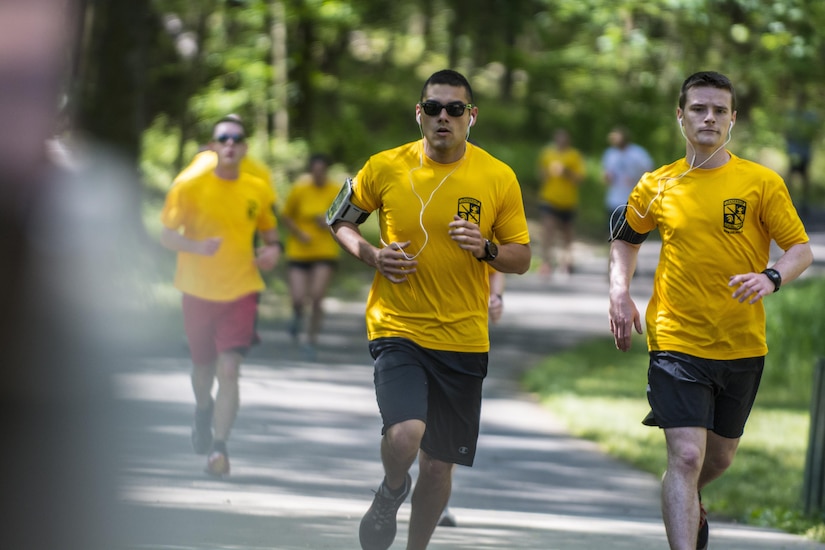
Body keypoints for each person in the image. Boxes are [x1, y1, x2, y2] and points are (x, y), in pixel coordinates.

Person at [607, 71, 813, 550]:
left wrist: (771, 277)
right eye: (698, 108)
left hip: (741, 343)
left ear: (733, 120)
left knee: (716, 460)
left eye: (719, 110)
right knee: (684, 456)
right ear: (681, 116)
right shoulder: (656, 183)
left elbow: (800, 249)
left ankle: (686, 500)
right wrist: (619, 292)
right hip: (675, 340)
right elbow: (625, 237)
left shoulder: (760, 182)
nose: (709, 117)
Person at [328, 69, 531, 550]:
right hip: (397, 325)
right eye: (434, 108)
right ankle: (392, 488)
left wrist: (485, 248)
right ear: (419, 114)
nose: (444, 117)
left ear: (471, 116)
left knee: (439, 465)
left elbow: (521, 257)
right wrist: (372, 255)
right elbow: (338, 221)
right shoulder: (385, 166)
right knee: (405, 436)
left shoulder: (498, 176)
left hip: (462, 338)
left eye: (455, 109)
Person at [160, 116, 282, 477]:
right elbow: (167, 235)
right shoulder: (189, 186)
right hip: (196, 289)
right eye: (222, 139)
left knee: (229, 369)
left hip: (241, 289)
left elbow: (271, 236)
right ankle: (202, 409)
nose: (230, 144)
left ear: (244, 148)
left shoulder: (256, 188)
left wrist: (272, 251)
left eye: (236, 139)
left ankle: (219, 447)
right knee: (202, 368)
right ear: (213, 147)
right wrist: (196, 246)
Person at [280, 153, 341, 357]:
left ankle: (310, 340)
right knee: (298, 298)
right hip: (299, 249)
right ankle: (297, 316)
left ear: (326, 171)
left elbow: (345, 216)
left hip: (324, 250)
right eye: (314, 172)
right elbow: (286, 216)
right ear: (310, 171)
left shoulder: (335, 189)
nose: (318, 176)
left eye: (321, 172)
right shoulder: (300, 188)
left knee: (316, 297)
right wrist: (299, 233)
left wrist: (329, 222)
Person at [536, 128, 585, 277]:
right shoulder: (547, 154)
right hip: (549, 199)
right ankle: (546, 263)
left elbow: (580, 178)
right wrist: (548, 172)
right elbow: (540, 174)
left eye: (564, 139)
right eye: (558, 138)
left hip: (568, 201)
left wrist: (566, 172)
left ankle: (567, 262)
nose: (561, 141)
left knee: (567, 234)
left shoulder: (574, 155)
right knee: (548, 231)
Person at [602, 125, 653, 226]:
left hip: (633, 202)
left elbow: (650, 172)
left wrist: (637, 181)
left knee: (629, 236)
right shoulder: (610, 154)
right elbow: (606, 176)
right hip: (613, 200)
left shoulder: (637, 153)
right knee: (613, 234)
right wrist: (607, 177)